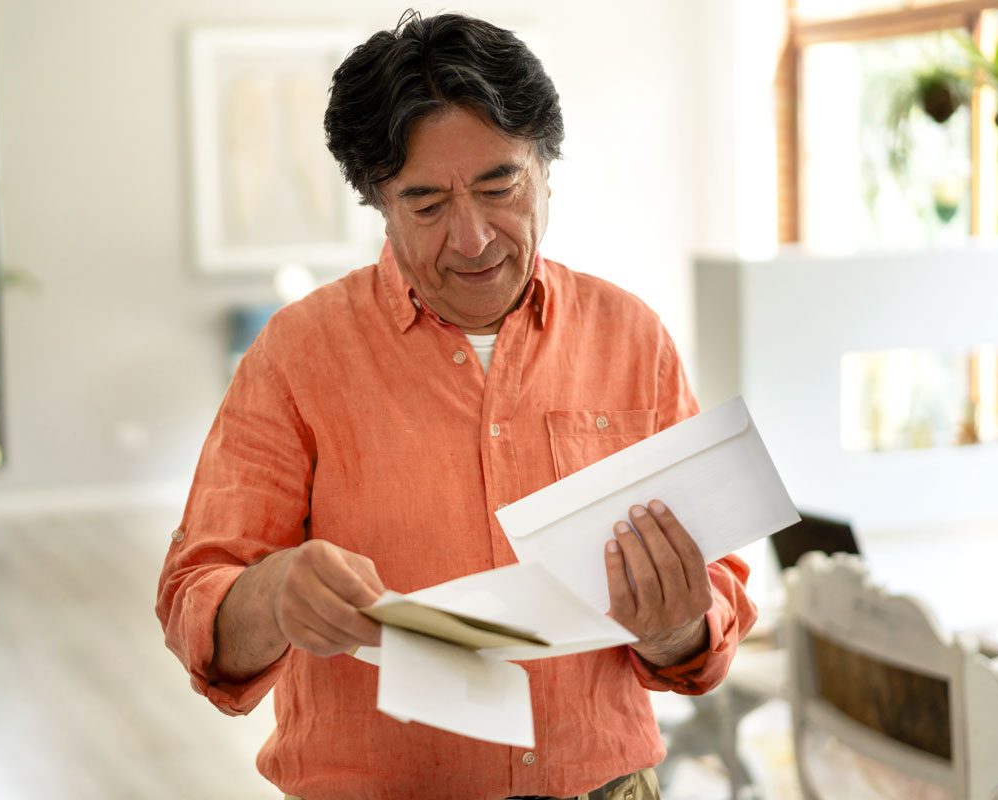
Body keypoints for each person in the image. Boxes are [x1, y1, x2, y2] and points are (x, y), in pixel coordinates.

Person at [156, 11, 757, 800]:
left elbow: (711, 618)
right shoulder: (298, 354)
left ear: (546, 167)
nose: (473, 238)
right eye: (427, 204)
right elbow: (197, 602)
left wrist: (677, 623)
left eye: (499, 185)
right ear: (377, 201)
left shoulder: (631, 337)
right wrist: (272, 595)